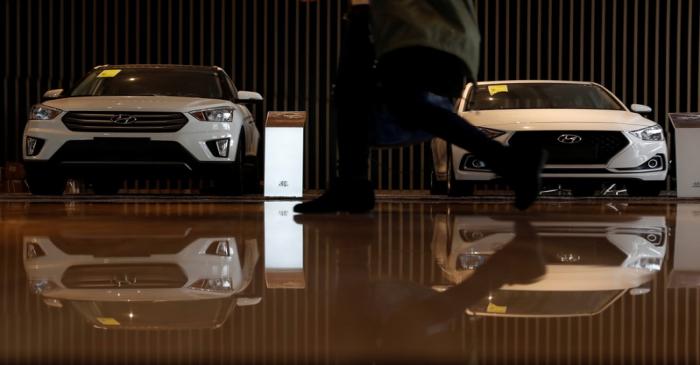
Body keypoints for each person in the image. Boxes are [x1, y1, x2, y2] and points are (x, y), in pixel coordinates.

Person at [294, 0, 546, 214]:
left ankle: (513, 164)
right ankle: (352, 184)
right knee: (353, 94)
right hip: (395, 22)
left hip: (421, 28)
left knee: (404, 104)